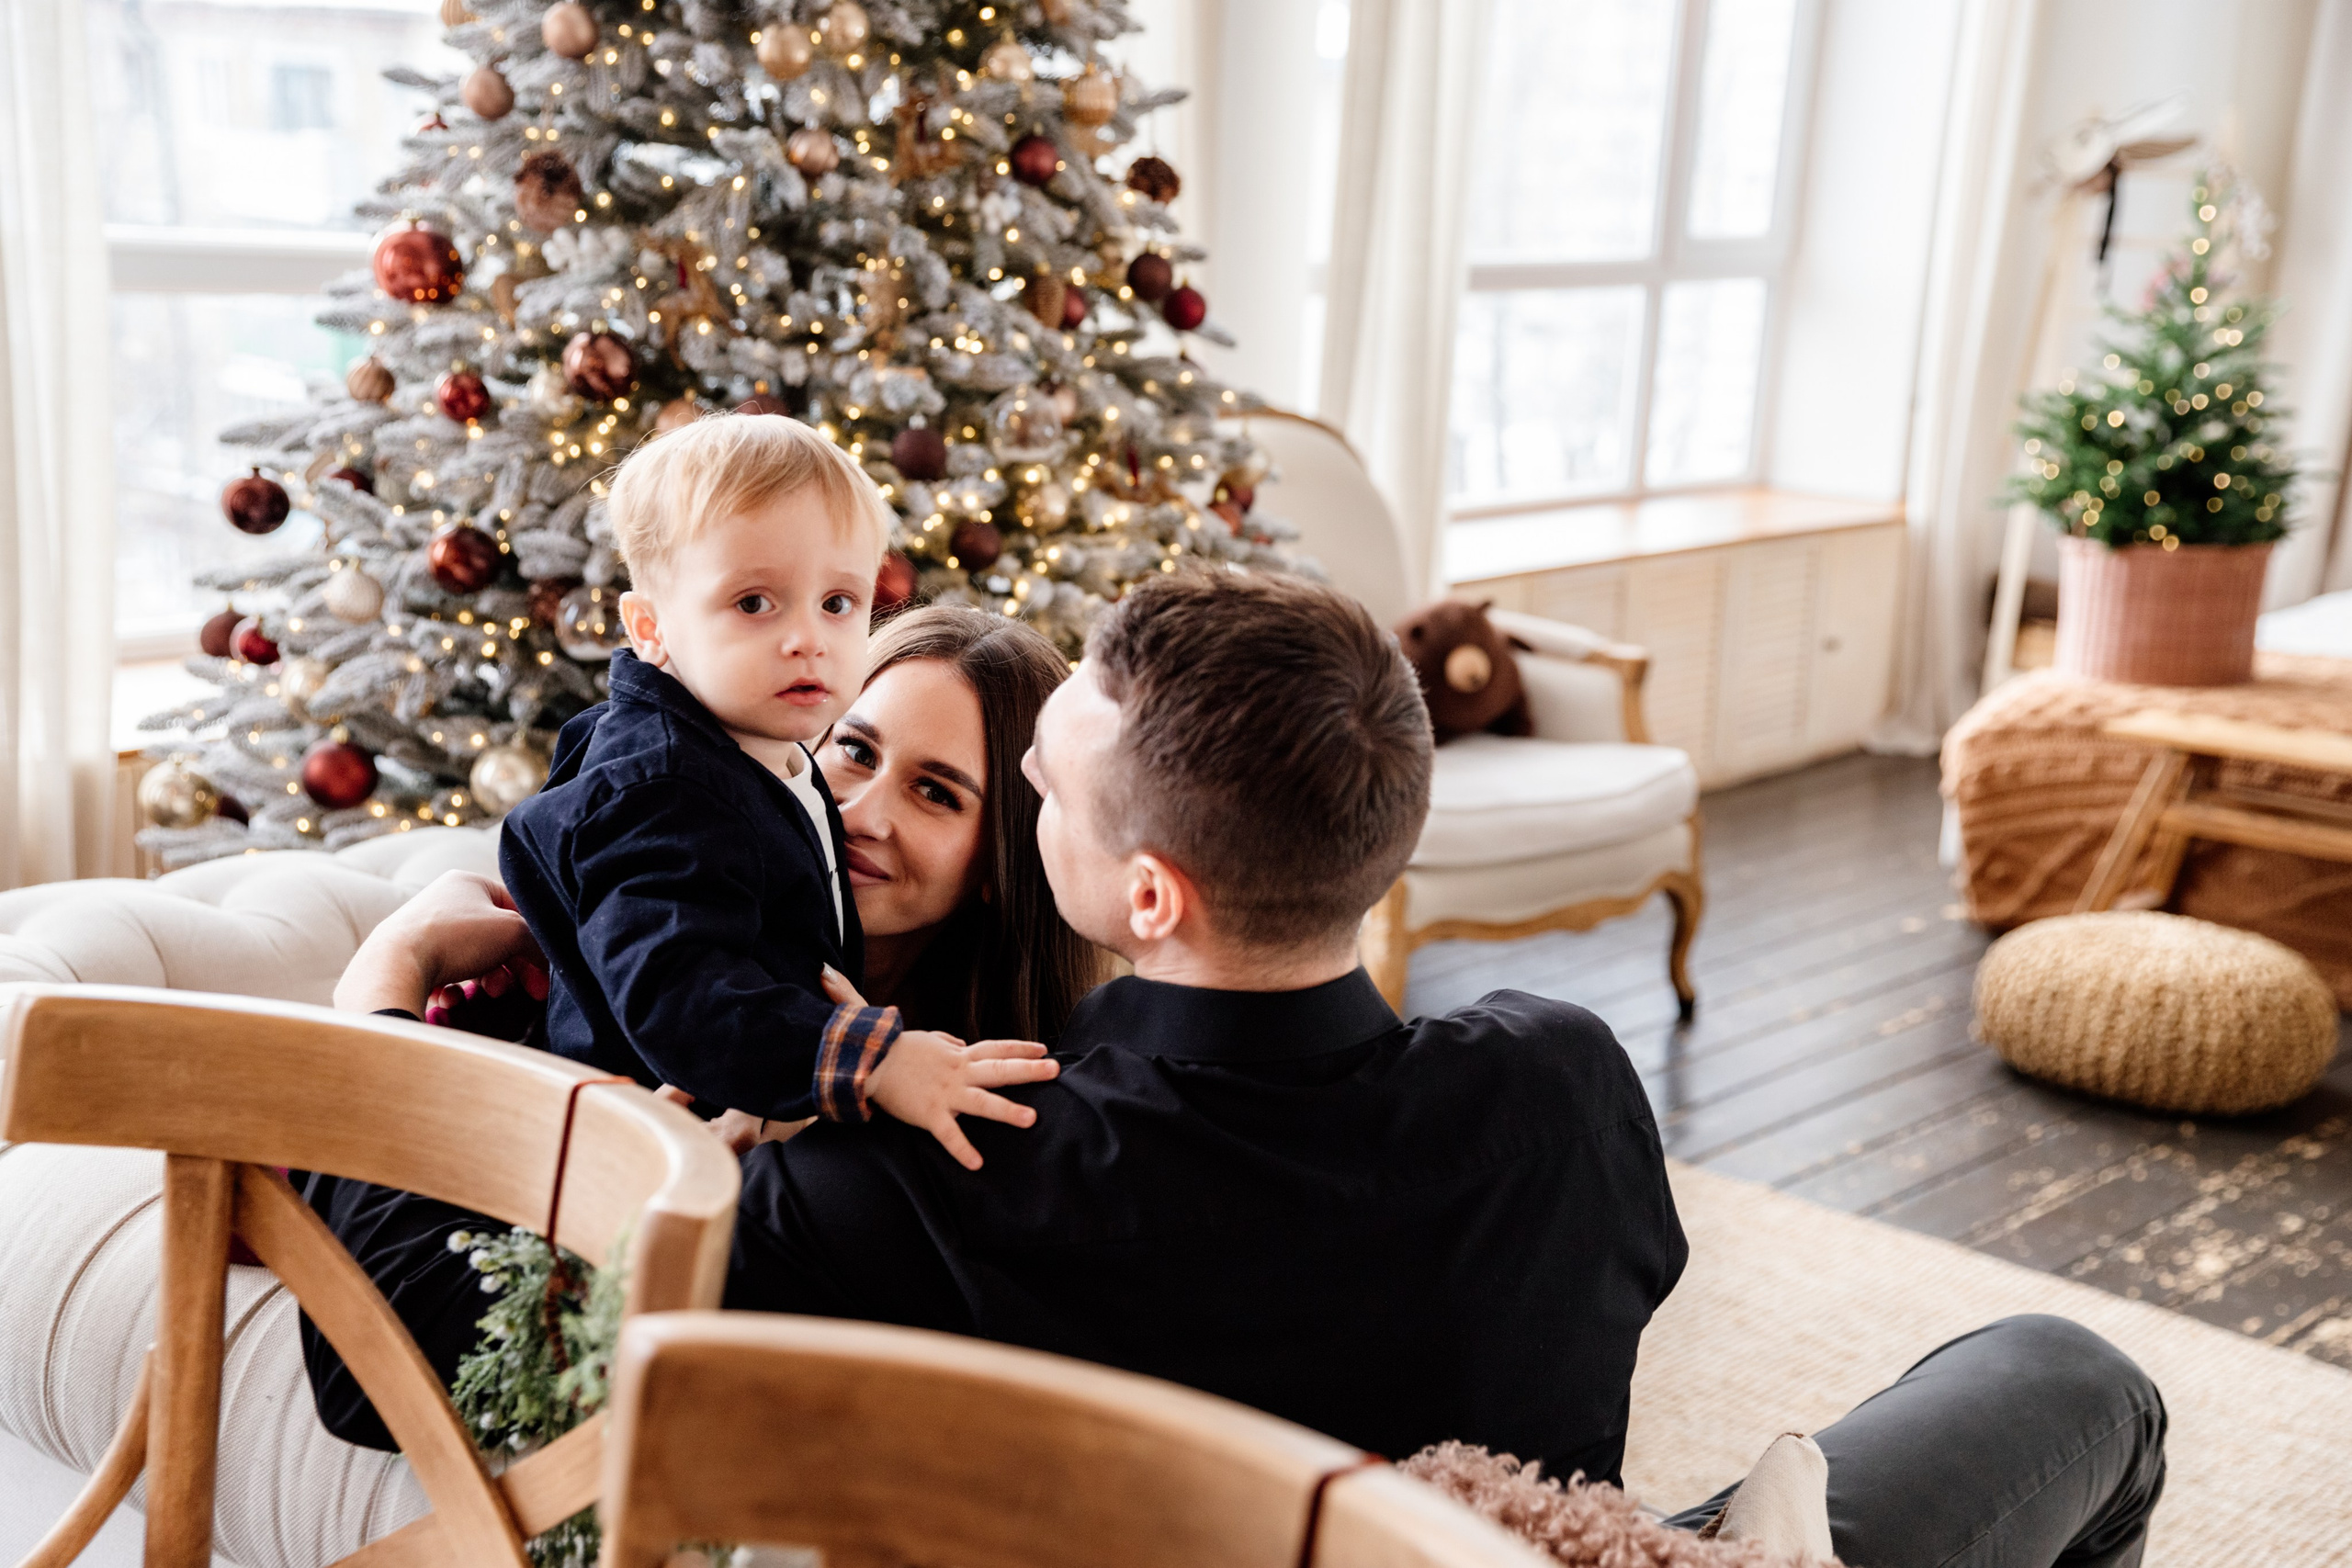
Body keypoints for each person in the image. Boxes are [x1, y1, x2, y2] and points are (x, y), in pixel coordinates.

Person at [338, 572, 2167, 1566]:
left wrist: (401, 966)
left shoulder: (923, 1169)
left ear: (1145, 890)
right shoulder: (1563, 1080)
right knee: (2073, 1373)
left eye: (1025, 781)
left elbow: (389, 1352)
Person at [304, 602, 1099, 1450]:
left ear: (1000, 863)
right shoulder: (661, 945)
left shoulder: (944, 1120)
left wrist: (387, 971)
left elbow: (376, 1372)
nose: (863, 810)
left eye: (935, 792)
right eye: (855, 749)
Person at [505, 412, 1054, 1168]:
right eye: (755, 602)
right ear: (650, 627)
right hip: (614, 1155)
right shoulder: (662, 785)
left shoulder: (762, 752)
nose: (808, 638)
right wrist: (874, 1061)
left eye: (837, 603)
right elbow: (678, 991)